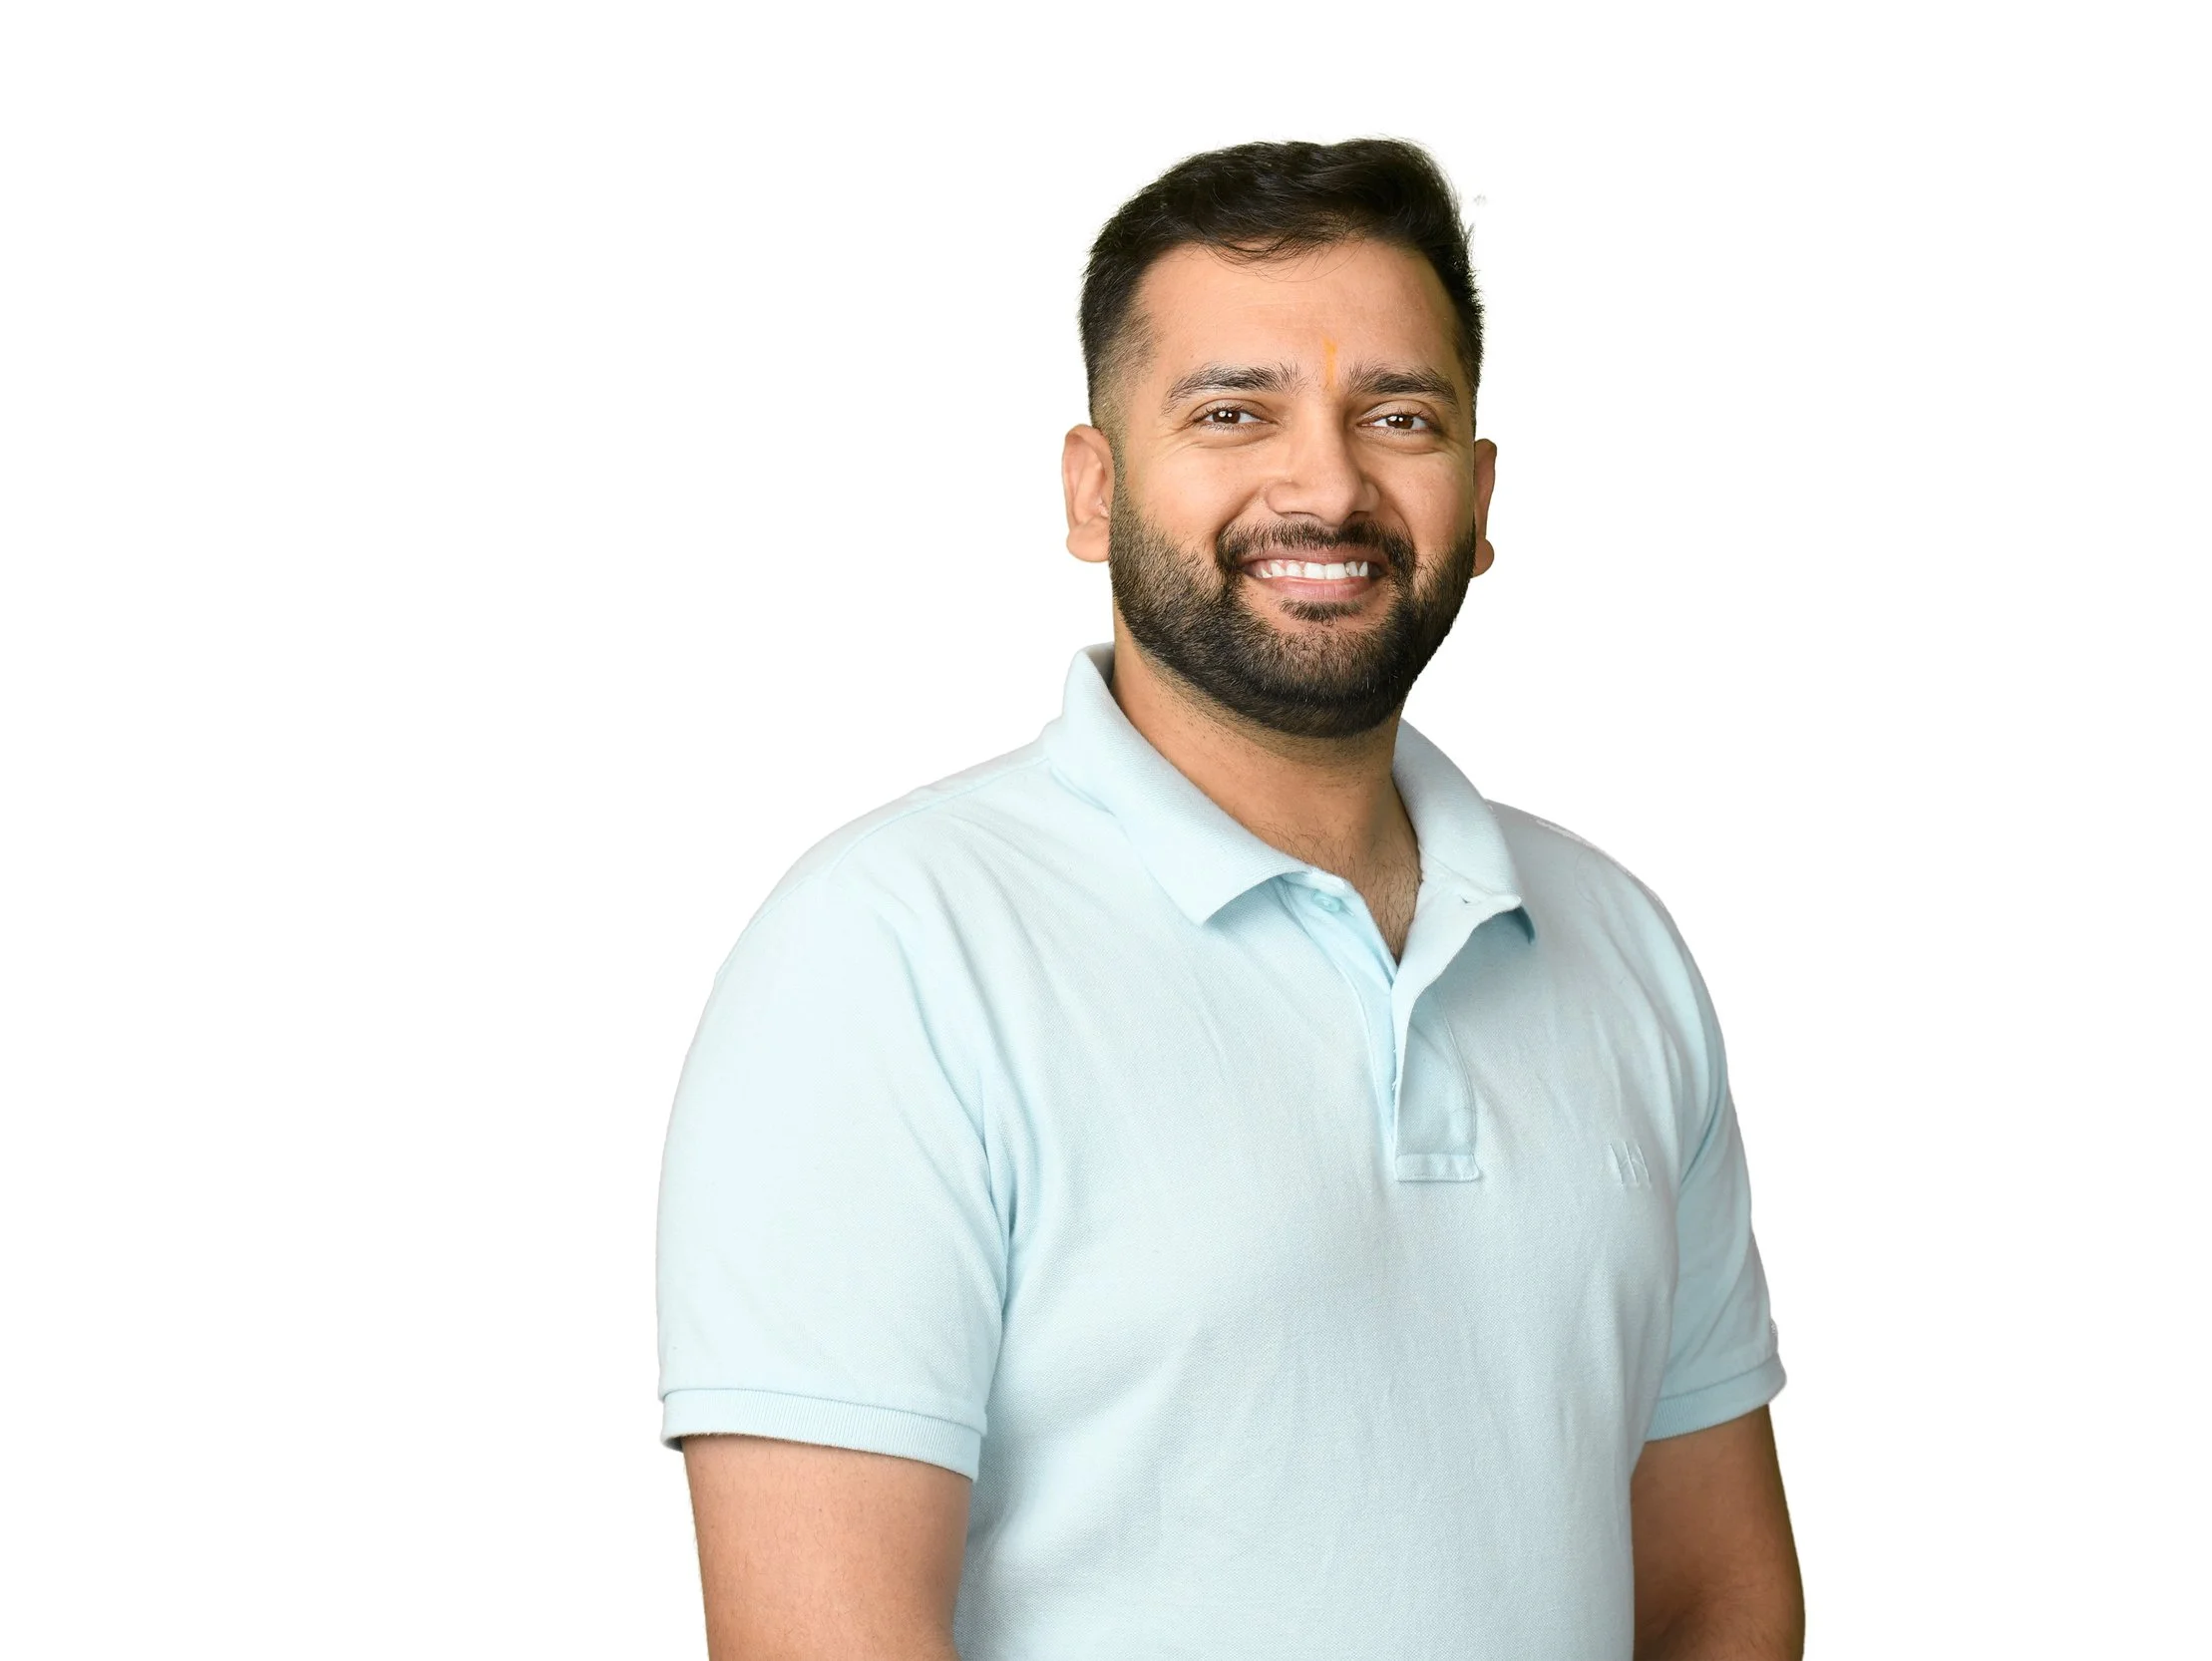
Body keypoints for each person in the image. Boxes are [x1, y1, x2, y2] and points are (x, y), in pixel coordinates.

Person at [656, 138, 1803, 1660]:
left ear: (1477, 492)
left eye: (1398, 415)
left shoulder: (1617, 947)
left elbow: (1715, 1594)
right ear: (1092, 487)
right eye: (1232, 411)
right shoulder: (886, 957)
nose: (1325, 481)